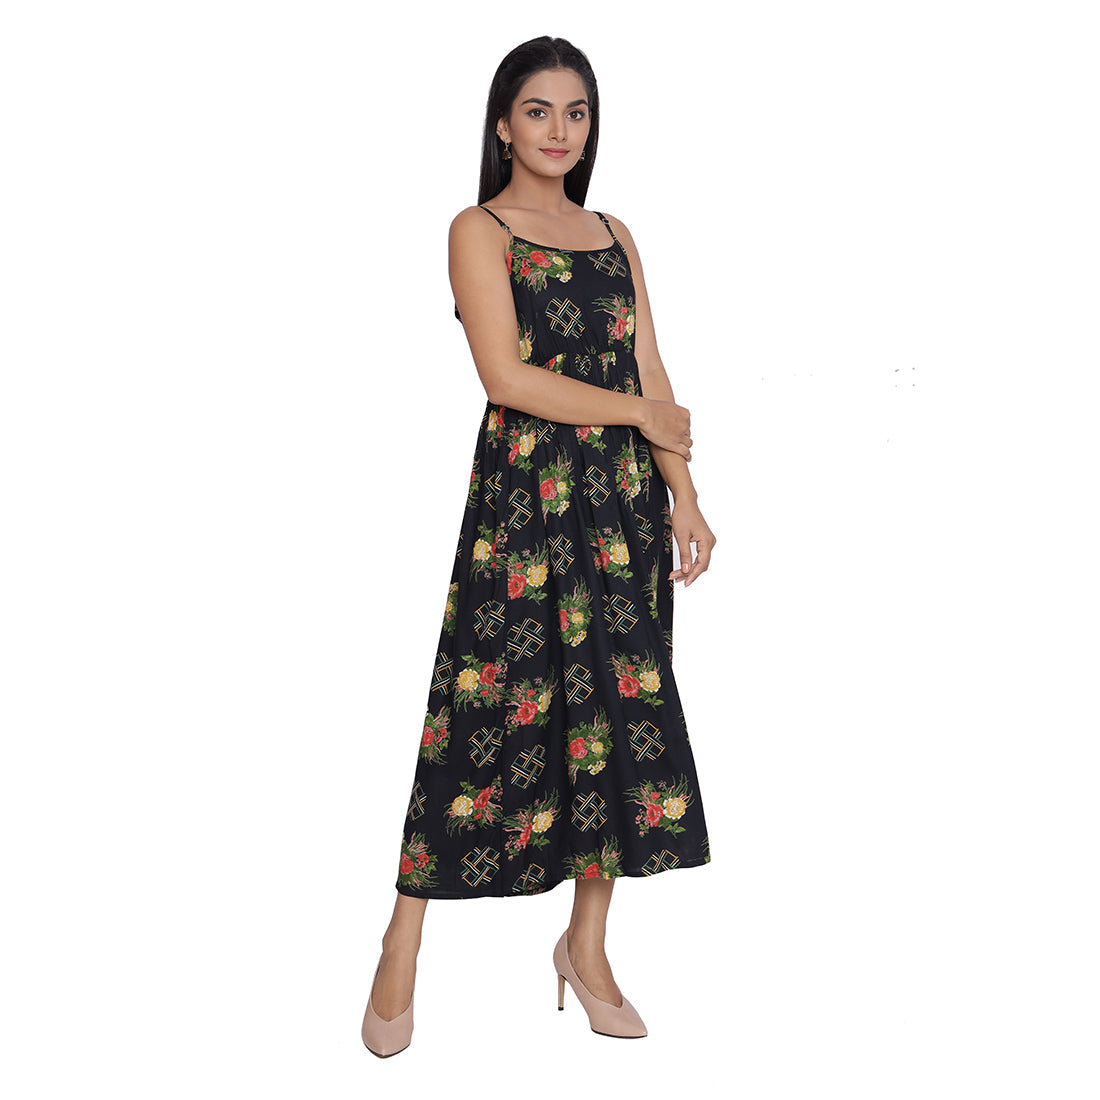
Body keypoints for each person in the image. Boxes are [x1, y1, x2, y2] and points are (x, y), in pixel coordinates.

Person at [361, 35, 717, 1057]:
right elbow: (506, 378)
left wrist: (684, 493)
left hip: (622, 506)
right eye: (537, 111)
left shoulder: (612, 232)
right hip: (525, 499)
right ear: (502, 124)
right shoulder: (478, 229)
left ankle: (586, 945)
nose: (559, 131)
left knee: (617, 716)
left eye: (576, 112)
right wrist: (640, 414)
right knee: (478, 705)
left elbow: (649, 364)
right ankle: (401, 935)